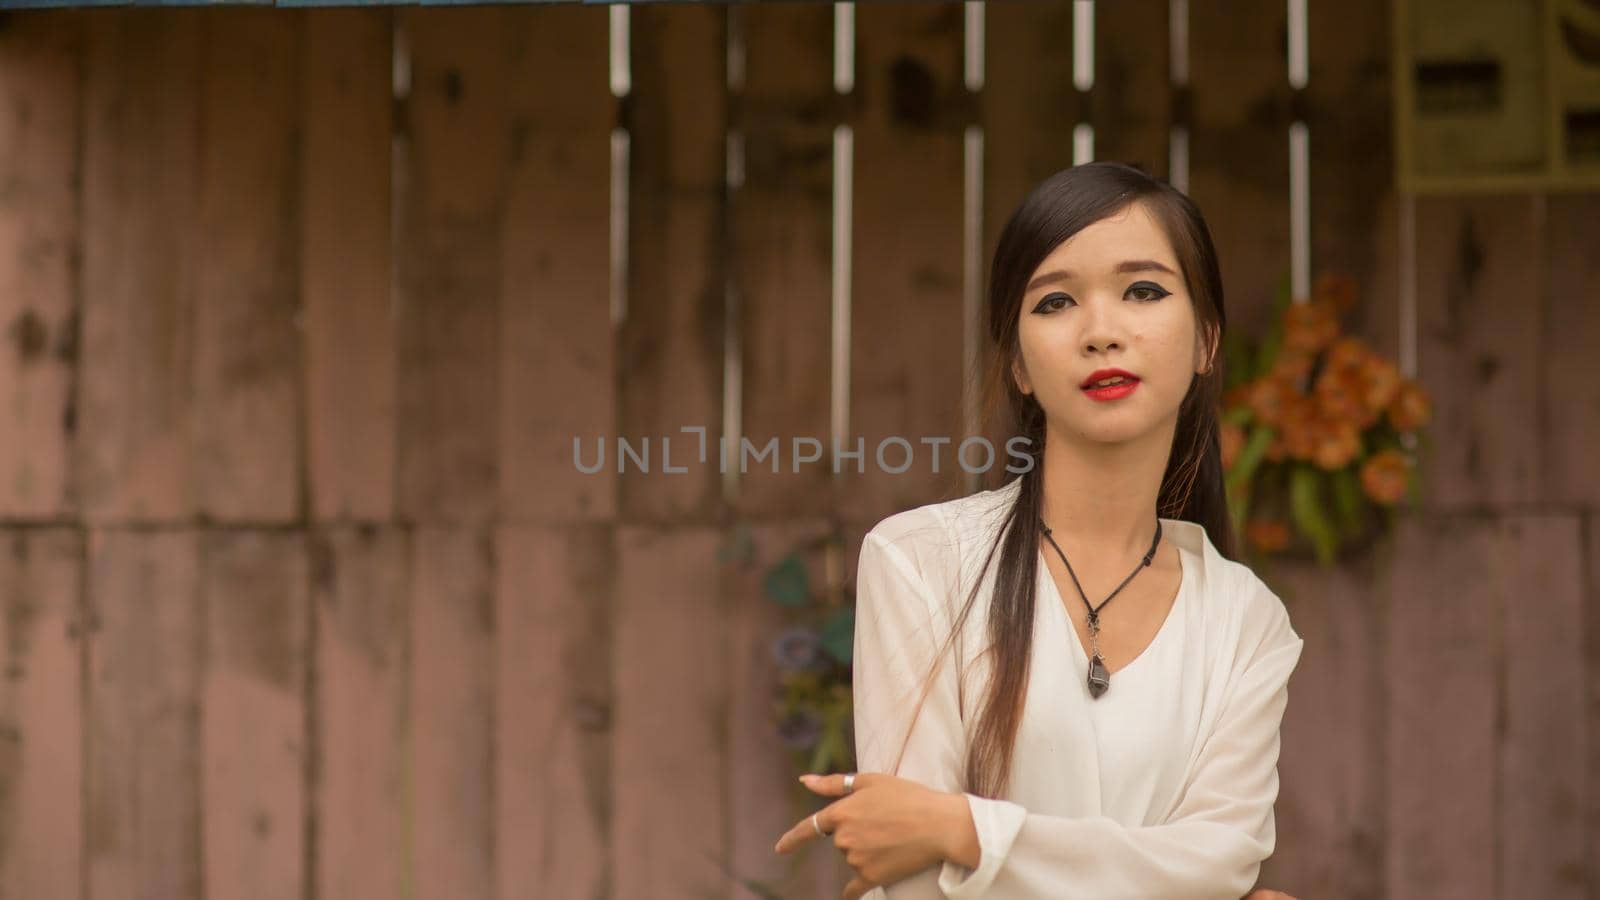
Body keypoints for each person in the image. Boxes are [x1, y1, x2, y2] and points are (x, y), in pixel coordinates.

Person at [772, 162, 1304, 900]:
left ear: (1207, 340)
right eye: (1055, 301)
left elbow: (1221, 862)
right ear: (1019, 364)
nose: (1101, 331)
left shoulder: (1246, 621)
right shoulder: (922, 563)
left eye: (1143, 290)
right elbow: (915, 882)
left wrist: (966, 831)